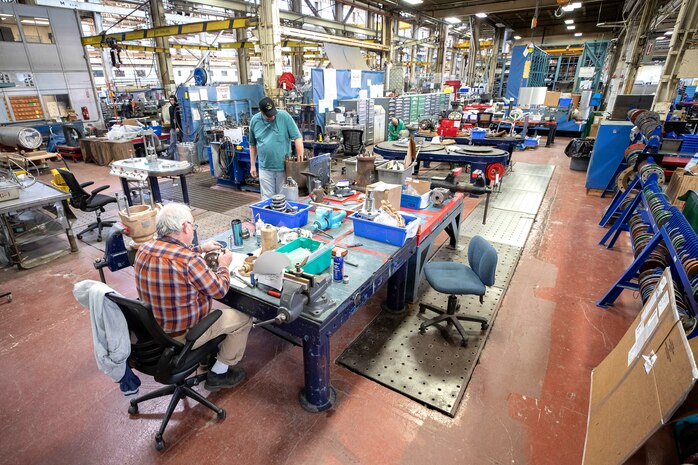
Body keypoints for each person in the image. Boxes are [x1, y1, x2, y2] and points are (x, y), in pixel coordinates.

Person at [134, 203, 253, 391]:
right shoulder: (189, 261)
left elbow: (172, 254)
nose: (192, 228)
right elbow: (220, 289)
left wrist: (200, 248)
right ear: (184, 227)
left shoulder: (144, 249)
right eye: (192, 225)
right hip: (182, 336)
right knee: (245, 318)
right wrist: (223, 264)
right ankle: (219, 374)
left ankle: (208, 357)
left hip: (155, 331)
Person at [248, 96, 304, 200]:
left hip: (283, 167)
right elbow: (252, 145)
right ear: (261, 112)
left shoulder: (284, 116)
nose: (272, 117)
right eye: (269, 115)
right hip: (265, 168)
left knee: (284, 198)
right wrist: (252, 165)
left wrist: (300, 161)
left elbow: (297, 137)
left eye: (273, 113)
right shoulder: (254, 121)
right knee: (267, 199)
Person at [167, 95, 183, 159]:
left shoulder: (179, 107)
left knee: (182, 141)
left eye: (172, 100)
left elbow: (180, 118)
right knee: (172, 141)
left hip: (180, 127)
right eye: (170, 100)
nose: (171, 101)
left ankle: (181, 155)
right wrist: (174, 127)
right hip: (173, 127)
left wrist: (178, 127)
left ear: (175, 100)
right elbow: (172, 118)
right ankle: (170, 155)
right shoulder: (170, 108)